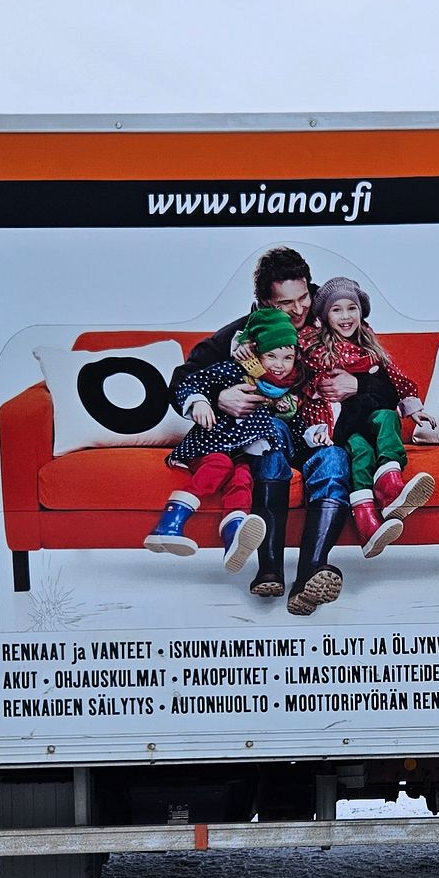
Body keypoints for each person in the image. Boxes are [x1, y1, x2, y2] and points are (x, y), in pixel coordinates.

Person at [168, 247, 353, 612]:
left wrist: (359, 384)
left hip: (319, 432)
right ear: (265, 303)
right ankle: (269, 570)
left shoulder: (335, 317)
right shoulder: (240, 335)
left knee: (334, 459)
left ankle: (310, 575)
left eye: (304, 297)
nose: (299, 310)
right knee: (270, 436)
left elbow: (387, 376)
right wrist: (219, 398)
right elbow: (183, 380)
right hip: (270, 436)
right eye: (286, 303)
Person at [143, 307, 302, 571]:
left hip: (240, 450)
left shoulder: (281, 388)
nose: (279, 365)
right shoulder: (232, 370)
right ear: (256, 353)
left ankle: (234, 536)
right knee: (220, 465)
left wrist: (307, 431)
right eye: (271, 356)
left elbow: (290, 424)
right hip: (209, 444)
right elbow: (190, 383)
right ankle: (168, 524)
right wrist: (199, 403)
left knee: (242, 477)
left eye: (287, 358)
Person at [298, 278, 435, 557]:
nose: (346, 316)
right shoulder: (316, 347)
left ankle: (390, 484)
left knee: (387, 417)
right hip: (342, 425)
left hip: (369, 415)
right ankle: (366, 523)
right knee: (360, 451)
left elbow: (394, 379)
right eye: (337, 310)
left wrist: (413, 407)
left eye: (352, 308)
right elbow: (304, 378)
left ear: (361, 312)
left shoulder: (370, 345)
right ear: (324, 316)